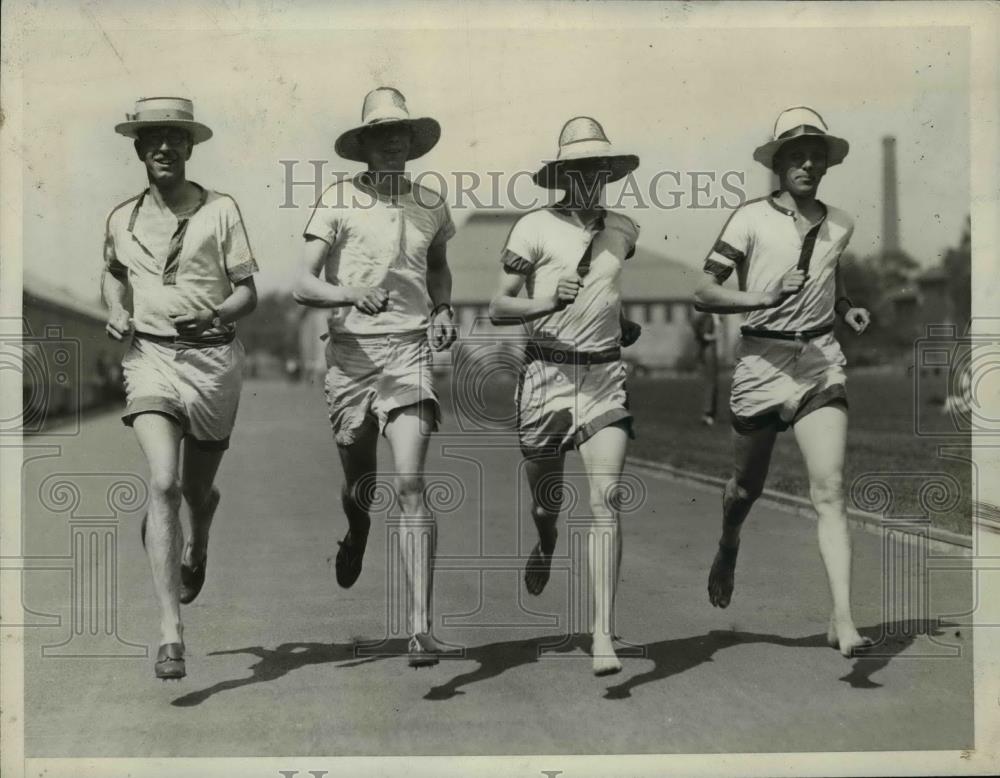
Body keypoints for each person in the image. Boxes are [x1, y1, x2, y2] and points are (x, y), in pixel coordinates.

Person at [694, 106, 873, 656]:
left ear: (826, 164)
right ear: (778, 163)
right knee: (744, 490)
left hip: (820, 360)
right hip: (760, 364)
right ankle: (728, 545)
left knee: (830, 489)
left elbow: (827, 268)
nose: (807, 165)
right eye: (796, 155)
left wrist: (845, 307)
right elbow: (704, 290)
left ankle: (843, 619)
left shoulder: (840, 222)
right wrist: (762, 297)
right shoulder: (749, 219)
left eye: (816, 156)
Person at [293, 88, 457, 668]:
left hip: (409, 352)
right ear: (363, 145)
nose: (392, 142)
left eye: (401, 134)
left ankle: (419, 627)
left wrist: (441, 310)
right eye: (381, 134)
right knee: (360, 485)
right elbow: (302, 283)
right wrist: (351, 293)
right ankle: (357, 530)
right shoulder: (337, 201)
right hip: (351, 358)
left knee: (411, 483)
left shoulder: (432, 204)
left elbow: (438, 268)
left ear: (412, 143)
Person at [102, 97, 259, 679]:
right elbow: (113, 276)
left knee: (195, 491)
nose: (163, 147)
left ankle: (200, 534)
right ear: (139, 149)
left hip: (214, 362)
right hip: (151, 359)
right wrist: (116, 311)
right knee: (162, 483)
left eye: (175, 138)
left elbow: (249, 292)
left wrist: (219, 314)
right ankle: (171, 632)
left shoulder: (221, 210)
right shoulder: (121, 217)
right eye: (152, 138)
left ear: (190, 147)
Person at [489, 116, 642, 676]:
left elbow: (608, 292)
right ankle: (545, 540)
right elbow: (498, 306)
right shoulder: (532, 227)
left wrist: (619, 325)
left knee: (606, 502)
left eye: (599, 169)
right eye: (579, 169)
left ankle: (602, 633)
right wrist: (548, 301)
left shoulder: (623, 228)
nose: (590, 178)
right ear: (561, 174)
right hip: (546, 381)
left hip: (603, 380)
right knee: (546, 503)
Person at [690, 309, 720, 426]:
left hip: (707, 349)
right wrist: (715, 335)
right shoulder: (710, 317)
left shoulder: (706, 316)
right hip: (709, 349)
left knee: (712, 382)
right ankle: (708, 413)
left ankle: (710, 413)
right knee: (712, 382)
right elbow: (706, 335)